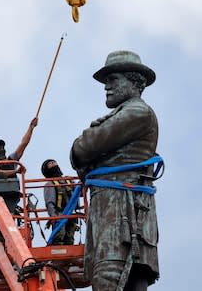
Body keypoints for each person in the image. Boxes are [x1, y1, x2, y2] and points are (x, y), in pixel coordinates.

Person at [70, 51, 160, 291]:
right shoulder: (124, 113)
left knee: (109, 280)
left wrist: (85, 147)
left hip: (122, 219)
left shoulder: (137, 112)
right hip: (115, 217)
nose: (106, 86)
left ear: (134, 82)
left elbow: (83, 148)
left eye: (113, 79)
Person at [41, 159, 77, 245]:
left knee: (70, 237)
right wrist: (53, 217)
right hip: (59, 214)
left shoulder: (69, 181)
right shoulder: (50, 184)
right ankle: (58, 253)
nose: (53, 164)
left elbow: (79, 193)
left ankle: (69, 255)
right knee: (59, 236)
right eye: (50, 164)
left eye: (54, 162)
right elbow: (50, 203)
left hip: (72, 214)